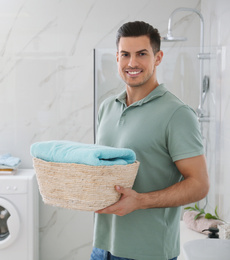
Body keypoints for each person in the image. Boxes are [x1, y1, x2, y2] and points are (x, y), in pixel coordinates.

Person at [91, 21, 209, 260]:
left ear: (158, 57)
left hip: (148, 253)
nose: (132, 63)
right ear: (117, 58)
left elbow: (199, 185)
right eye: (125, 54)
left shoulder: (177, 114)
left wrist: (141, 201)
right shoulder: (107, 107)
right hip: (102, 247)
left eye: (141, 54)